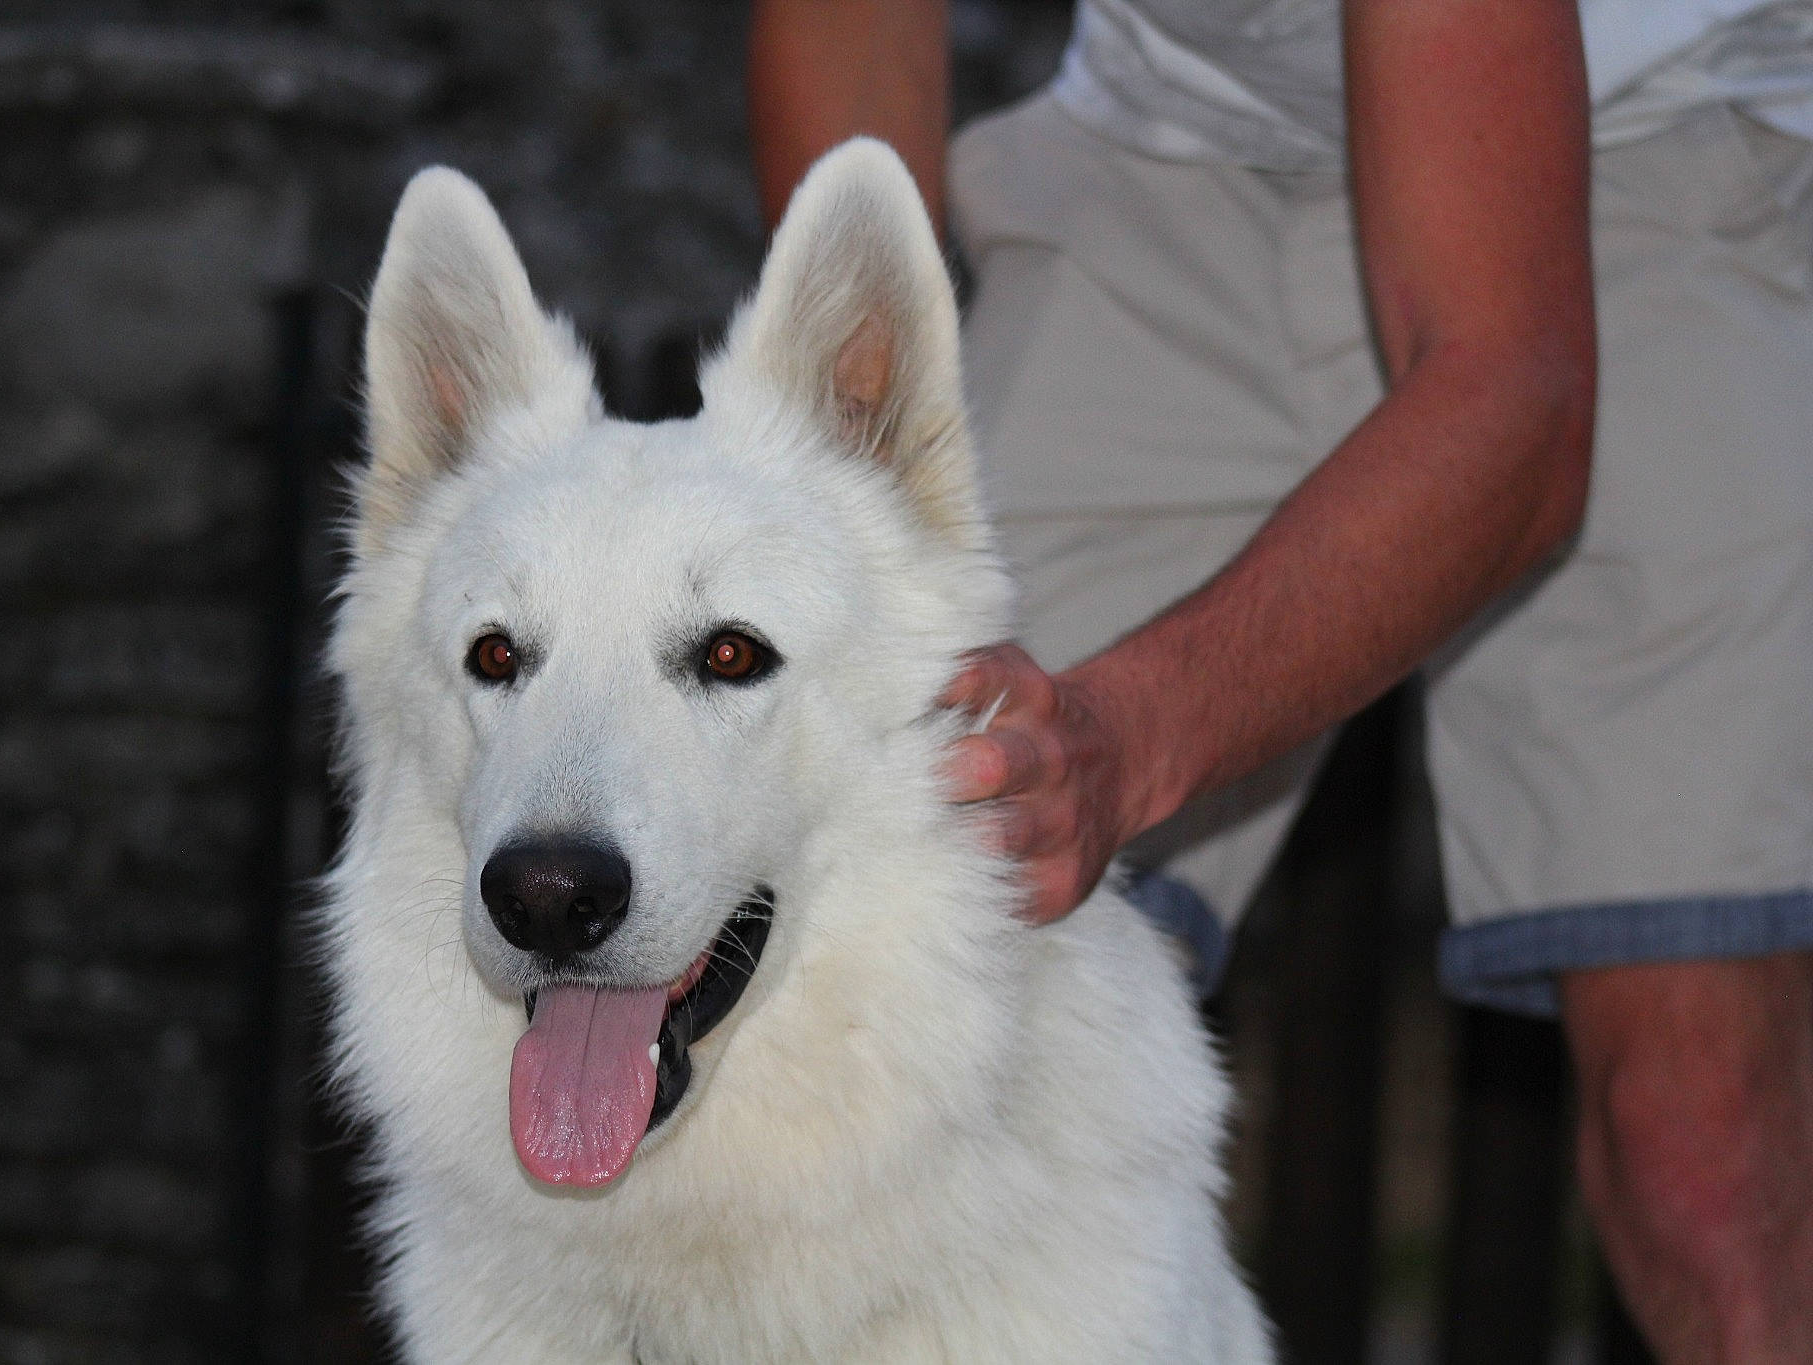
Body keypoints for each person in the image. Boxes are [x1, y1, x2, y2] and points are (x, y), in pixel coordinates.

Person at [749, 2, 1813, 1361]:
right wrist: (833, 484)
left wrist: (1122, 740)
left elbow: (1515, 405)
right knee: (863, 1000)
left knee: (1698, 1151)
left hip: (1642, 144)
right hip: (1158, 160)